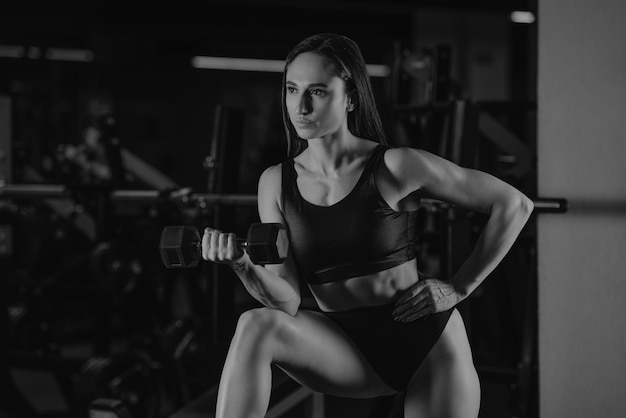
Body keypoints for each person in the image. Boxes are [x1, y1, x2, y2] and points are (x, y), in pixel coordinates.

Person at [202, 33, 534, 418]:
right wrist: (243, 266)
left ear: (351, 97)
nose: (301, 106)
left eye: (318, 92)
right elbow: (288, 299)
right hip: (346, 346)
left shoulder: (396, 166)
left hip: (426, 344)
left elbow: (513, 203)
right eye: (292, 89)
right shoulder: (275, 183)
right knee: (255, 325)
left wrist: (460, 287)